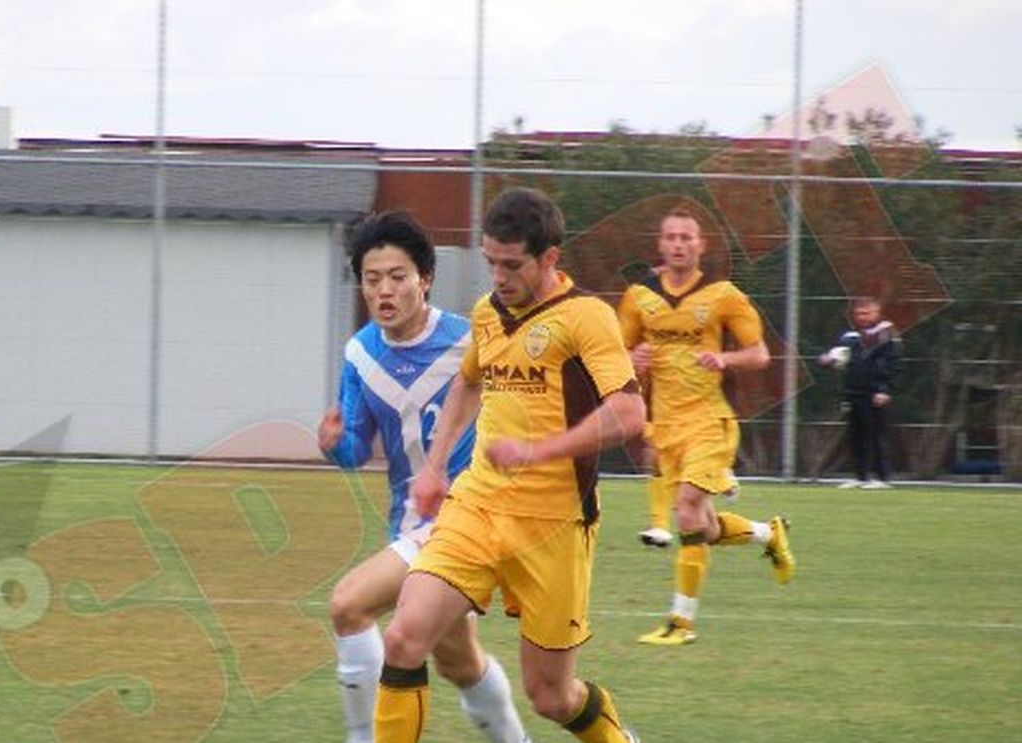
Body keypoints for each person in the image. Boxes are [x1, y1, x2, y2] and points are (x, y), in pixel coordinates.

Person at [373, 187, 646, 743]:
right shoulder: (487, 314)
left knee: (551, 696)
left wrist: (539, 451)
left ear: (549, 258)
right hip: (476, 505)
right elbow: (469, 382)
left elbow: (629, 412)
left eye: (512, 264)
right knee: (403, 637)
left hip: (553, 525)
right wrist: (433, 468)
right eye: (490, 261)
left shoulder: (585, 317)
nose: (498, 276)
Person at [320, 210, 531, 743]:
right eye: (372, 280)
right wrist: (333, 445)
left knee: (349, 605)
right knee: (459, 662)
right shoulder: (360, 354)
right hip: (410, 522)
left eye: (397, 277)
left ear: (425, 279)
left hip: (468, 519)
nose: (384, 290)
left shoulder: (470, 341)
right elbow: (355, 451)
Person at [615, 207, 796, 646]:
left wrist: (725, 358)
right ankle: (767, 533)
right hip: (665, 427)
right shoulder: (639, 297)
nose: (678, 244)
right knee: (703, 526)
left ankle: (681, 623)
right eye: (671, 236)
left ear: (701, 246)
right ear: (660, 245)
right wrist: (632, 360)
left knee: (687, 506)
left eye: (686, 237)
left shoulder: (722, 296)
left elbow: (759, 355)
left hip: (710, 423)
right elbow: (616, 357)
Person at [817, 296, 900, 489]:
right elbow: (839, 358)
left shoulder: (885, 334)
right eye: (858, 313)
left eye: (867, 313)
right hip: (853, 393)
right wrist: (827, 360)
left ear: (876, 313)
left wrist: (884, 389)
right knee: (855, 435)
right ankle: (860, 476)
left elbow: (892, 364)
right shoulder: (850, 337)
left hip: (874, 393)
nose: (862, 317)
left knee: (876, 434)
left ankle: (882, 477)